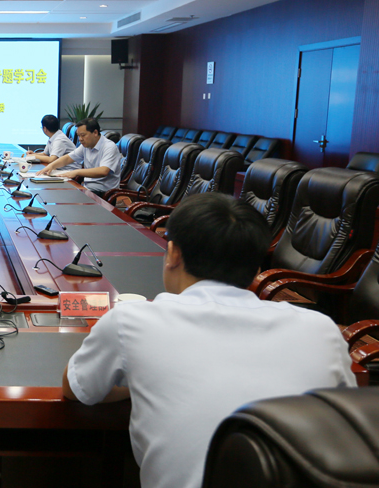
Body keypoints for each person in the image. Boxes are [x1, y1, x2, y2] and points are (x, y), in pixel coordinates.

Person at [62, 193, 355, 488]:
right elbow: (348, 428)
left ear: (173, 254)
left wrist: (136, 382)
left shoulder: (130, 320)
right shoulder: (322, 330)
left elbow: (77, 389)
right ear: (256, 269)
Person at [35, 118, 121, 198]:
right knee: (55, 193)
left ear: (95, 132)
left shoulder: (109, 147)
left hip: (103, 192)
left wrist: (76, 172)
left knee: (63, 197)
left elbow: (103, 171)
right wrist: (51, 166)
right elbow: (68, 158)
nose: (80, 139)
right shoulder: (86, 145)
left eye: (83, 135)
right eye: (79, 136)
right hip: (87, 188)